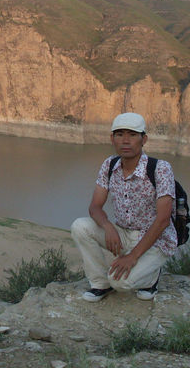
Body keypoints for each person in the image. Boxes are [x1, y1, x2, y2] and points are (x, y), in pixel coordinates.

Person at [70, 112, 177, 301]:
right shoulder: (109, 165)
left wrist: (133, 256)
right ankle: (100, 284)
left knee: (120, 283)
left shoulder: (160, 169)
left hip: (155, 239)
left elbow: (163, 219)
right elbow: (95, 206)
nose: (125, 141)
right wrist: (108, 226)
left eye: (132, 134)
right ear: (112, 139)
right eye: (120, 134)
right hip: (123, 233)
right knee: (80, 226)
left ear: (144, 139)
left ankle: (151, 278)